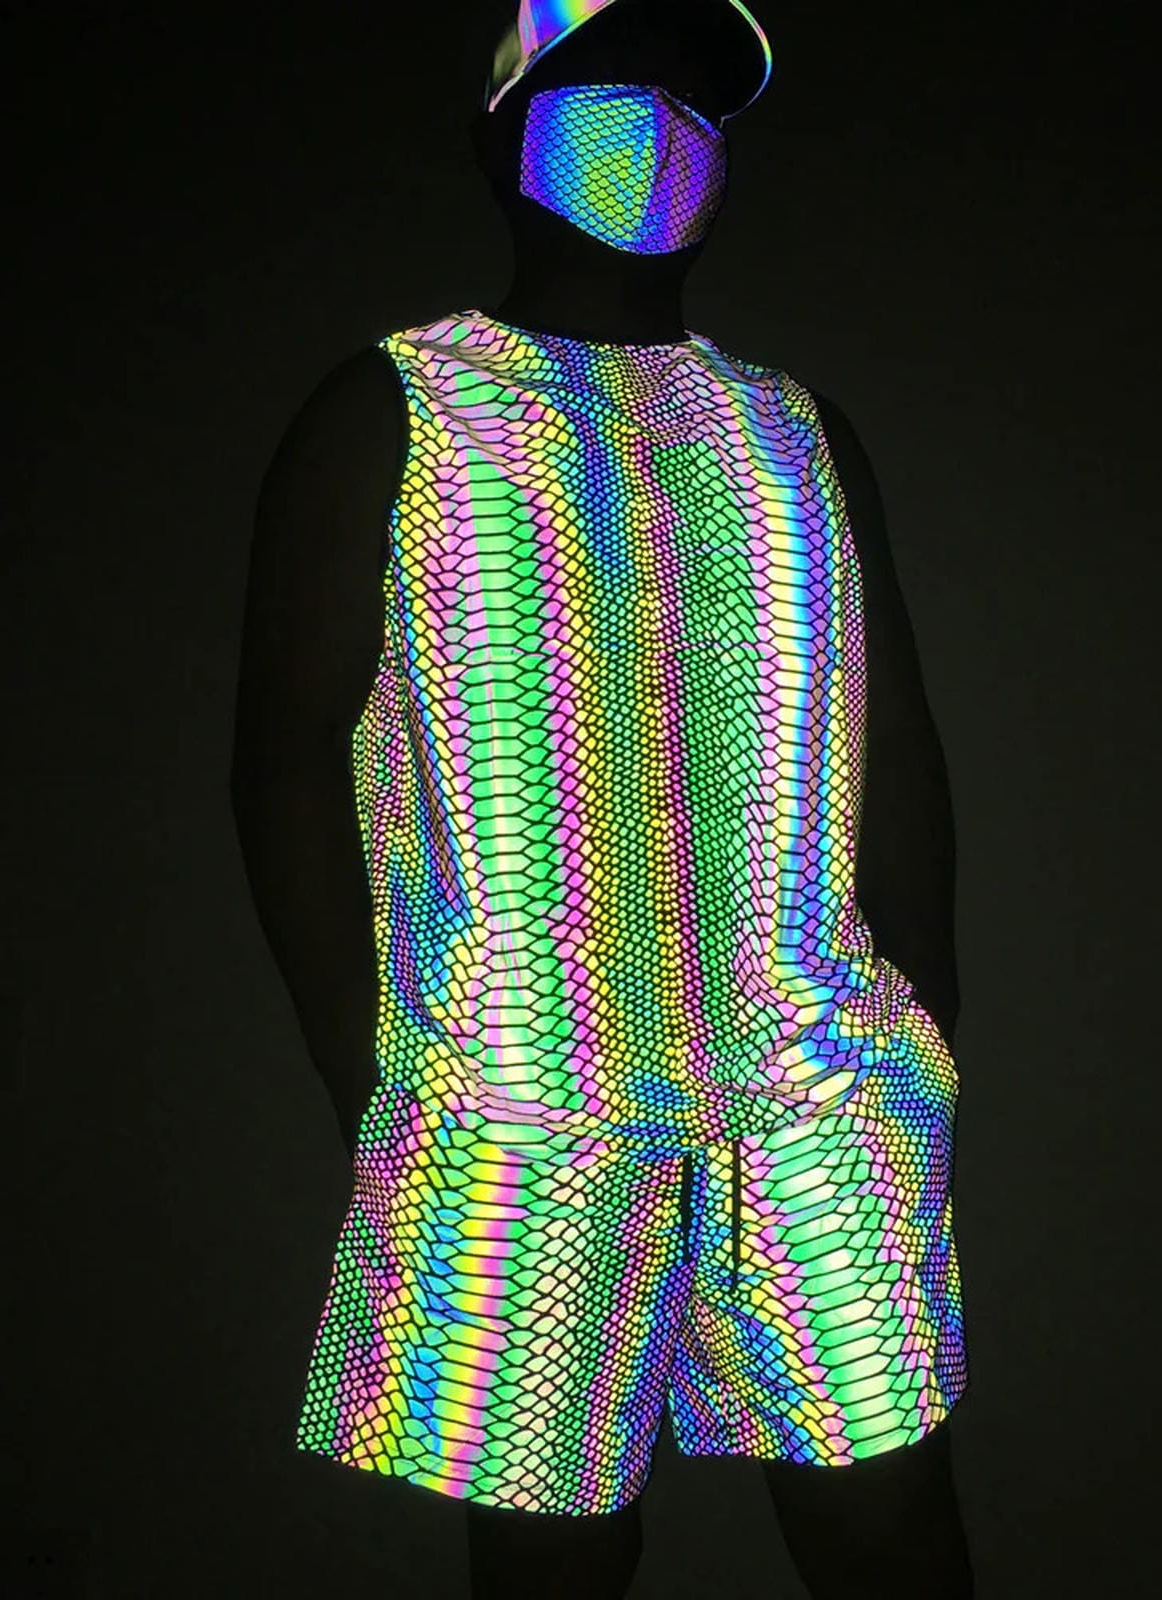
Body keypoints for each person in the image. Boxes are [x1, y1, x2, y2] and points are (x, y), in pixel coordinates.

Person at [230, 2, 973, 1595]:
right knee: (551, 1556)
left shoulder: (797, 430)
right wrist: (371, 1068)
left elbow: (896, 742)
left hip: (813, 1084)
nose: (660, 120)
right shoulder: (396, 411)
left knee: (887, 1526)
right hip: (518, 1093)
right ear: (502, 132)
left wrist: (929, 1024)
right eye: (612, 80)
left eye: (694, 96)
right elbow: (284, 762)